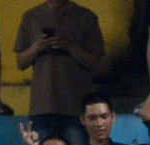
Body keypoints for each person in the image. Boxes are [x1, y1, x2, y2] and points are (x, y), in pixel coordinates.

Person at [14, 0, 106, 135]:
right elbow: (20, 62)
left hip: (75, 106)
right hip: (42, 105)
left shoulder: (86, 17)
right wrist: (36, 48)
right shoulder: (31, 17)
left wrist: (70, 46)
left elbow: (96, 64)